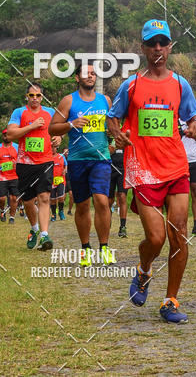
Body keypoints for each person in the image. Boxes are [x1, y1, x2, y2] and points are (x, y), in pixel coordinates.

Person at [107, 19, 196, 324]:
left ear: (171, 47)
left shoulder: (180, 84)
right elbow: (113, 117)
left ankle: (170, 301)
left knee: (180, 235)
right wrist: (117, 134)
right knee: (157, 238)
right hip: (143, 169)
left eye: (163, 43)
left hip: (176, 166)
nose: (158, 49)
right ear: (143, 48)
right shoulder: (131, 85)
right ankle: (144, 269)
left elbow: (193, 116)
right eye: (152, 43)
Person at [49, 62, 112, 260]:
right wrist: (71, 124)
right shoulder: (68, 101)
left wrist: (112, 135)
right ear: (77, 77)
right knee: (82, 205)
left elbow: (113, 127)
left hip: (101, 159)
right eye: (86, 73)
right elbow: (52, 128)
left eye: (93, 74)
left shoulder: (105, 101)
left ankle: (104, 248)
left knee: (102, 201)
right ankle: (85, 248)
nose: (90, 76)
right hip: (77, 160)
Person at [6, 83, 56, 251]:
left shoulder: (50, 112)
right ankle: (34, 229)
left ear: (42, 97)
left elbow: (58, 131)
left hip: (46, 161)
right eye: (31, 95)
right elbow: (11, 134)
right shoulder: (19, 112)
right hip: (25, 163)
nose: (35, 98)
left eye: (38, 95)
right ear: (26, 96)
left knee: (44, 197)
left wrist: (59, 139)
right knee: (28, 201)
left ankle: (44, 235)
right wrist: (32, 126)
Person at [179, 119, 196, 238]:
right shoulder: (175, 118)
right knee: (179, 193)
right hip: (178, 160)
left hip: (194, 160)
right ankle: (178, 224)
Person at [0, 130, 19, 224]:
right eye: (4, 135)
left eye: (8, 135)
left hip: (14, 176)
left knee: (13, 198)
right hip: (1, 177)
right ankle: (2, 211)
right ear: (2, 136)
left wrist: (17, 163)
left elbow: (22, 157)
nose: (6, 137)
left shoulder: (16, 147)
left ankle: (12, 217)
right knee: (1, 198)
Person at [109, 141, 128, 238]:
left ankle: (123, 227)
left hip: (123, 169)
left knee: (122, 196)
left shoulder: (126, 131)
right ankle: (107, 224)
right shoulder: (108, 132)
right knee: (109, 200)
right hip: (110, 167)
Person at [51, 144, 67, 222]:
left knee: (61, 197)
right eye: (51, 147)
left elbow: (66, 165)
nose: (52, 149)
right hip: (51, 181)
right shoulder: (48, 158)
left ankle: (61, 211)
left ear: (56, 148)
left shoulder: (61, 156)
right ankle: (53, 214)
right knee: (53, 200)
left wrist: (65, 170)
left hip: (61, 179)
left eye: (54, 147)